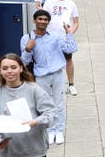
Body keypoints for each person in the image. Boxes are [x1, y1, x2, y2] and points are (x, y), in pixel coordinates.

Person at [21, 9, 78, 145]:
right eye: (40, 19)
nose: (42, 21)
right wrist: (28, 49)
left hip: (57, 74)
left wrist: (69, 33)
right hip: (41, 77)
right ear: (34, 21)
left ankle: (59, 130)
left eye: (45, 19)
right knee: (44, 106)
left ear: (48, 22)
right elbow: (24, 61)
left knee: (59, 104)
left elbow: (71, 49)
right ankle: (49, 130)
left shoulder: (55, 36)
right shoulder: (26, 38)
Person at [39, 0, 80, 96]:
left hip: (64, 37)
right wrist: (39, 8)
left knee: (68, 60)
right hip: (50, 36)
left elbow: (76, 22)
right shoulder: (49, 2)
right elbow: (43, 17)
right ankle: (51, 86)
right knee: (50, 60)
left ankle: (71, 84)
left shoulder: (71, 4)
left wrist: (70, 33)